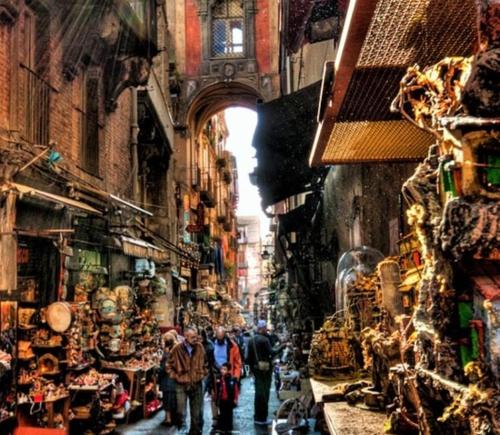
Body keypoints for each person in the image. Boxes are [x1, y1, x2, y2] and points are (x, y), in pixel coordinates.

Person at [167, 326, 207, 435]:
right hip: (181, 384)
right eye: (193, 337)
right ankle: (181, 429)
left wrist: (202, 374)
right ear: (186, 336)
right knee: (181, 411)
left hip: (196, 382)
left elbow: (206, 363)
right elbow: (169, 366)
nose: (195, 339)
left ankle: (195, 431)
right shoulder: (177, 349)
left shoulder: (200, 347)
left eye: (196, 336)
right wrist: (176, 376)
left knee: (196, 412)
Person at [207, 326, 242, 429]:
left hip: (228, 375)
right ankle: (215, 418)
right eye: (218, 338)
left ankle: (226, 419)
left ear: (224, 336)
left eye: (221, 338)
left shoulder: (232, 345)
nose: (220, 340)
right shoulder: (211, 344)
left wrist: (236, 377)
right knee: (214, 396)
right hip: (215, 374)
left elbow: (237, 363)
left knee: (227, 398)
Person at [247, 320, 279, 426]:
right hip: (265, 370)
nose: (266, 330)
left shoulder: (251, 340)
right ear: (263, 328)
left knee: (258, 393)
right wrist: (283, 346)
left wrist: (251, 370)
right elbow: (272, 352)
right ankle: (262, 418)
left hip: (256, 370)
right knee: (264, 394)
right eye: (265, 328)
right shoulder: (265, 340)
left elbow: (248, 358)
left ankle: (257, 416)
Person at [159, 332, 178, 426]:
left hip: (168, 380)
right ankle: (171, 418)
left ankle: (168, 419)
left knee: (167, 399)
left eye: (163, 341)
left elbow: (164, 368)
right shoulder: (176, 351)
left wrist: (157, 370)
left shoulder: (167, 354)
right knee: (172, 399)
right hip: (174, 380)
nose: (162, 343)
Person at [214, 363, 239, 434]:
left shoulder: (232, 379)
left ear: (228, 370)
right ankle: (222, 428)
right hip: (222, 400)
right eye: (222, 369)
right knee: (222, 414)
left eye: (224, 369)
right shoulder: (219, 379)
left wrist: (235, 399)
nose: (222, 371)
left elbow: (235, 390)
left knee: (229, 414)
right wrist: (216, 398)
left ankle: (228, 428)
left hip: (229, 400)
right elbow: (217, 390)